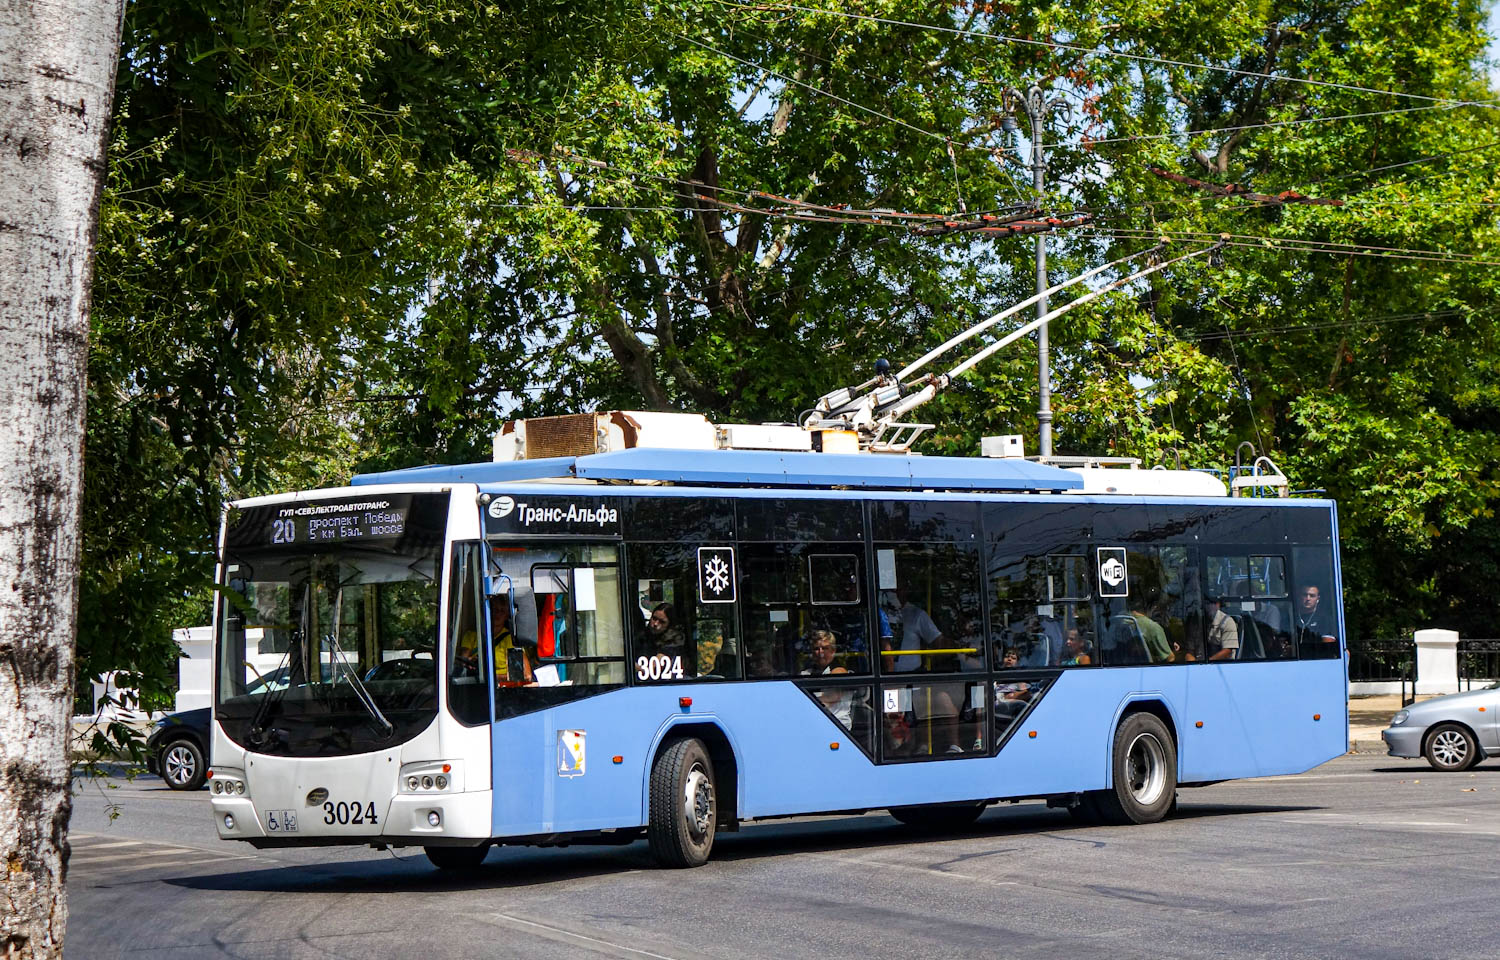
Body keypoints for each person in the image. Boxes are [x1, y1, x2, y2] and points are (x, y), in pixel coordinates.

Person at [882, 584, 943, 672]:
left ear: (905, 590)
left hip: (911, 677)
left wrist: (926, 660)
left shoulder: (917, 614)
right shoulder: (881, 613)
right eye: (892, 590)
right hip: (883, 676)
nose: (895, 593)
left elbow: (937, 641)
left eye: (899, 589)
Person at [800, 629, 854, 726]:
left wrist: (804, 706)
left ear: (833, 651)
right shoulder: (806, 673)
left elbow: (832, 697)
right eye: (816, 649)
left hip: (838, 727)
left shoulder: (839, 670)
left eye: (825, 648)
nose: (820, 653)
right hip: (813, 724)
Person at [639, 602, 689, 668]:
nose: (655, 624)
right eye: (654, 618)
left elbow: (653, 667)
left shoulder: (675, 640)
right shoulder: (643, 636)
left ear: (670, 624)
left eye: (662, 622)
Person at [1294, 584, 1338, 652]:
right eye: (1305, 595)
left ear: (1318, 599)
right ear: (1299, 596)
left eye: (1312, 596)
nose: (1308, 598)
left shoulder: (1324, 619)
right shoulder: (1292, 617)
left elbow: (1328, 647)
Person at [1205, 595, 1240, 661]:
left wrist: (1209, 661)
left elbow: (1227, 651)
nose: (1209, 607)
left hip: (1225, 663)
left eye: (1211, 604)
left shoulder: (1227, 622)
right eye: (1206, 604)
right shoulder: (1200, 620)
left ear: (1217, 605)